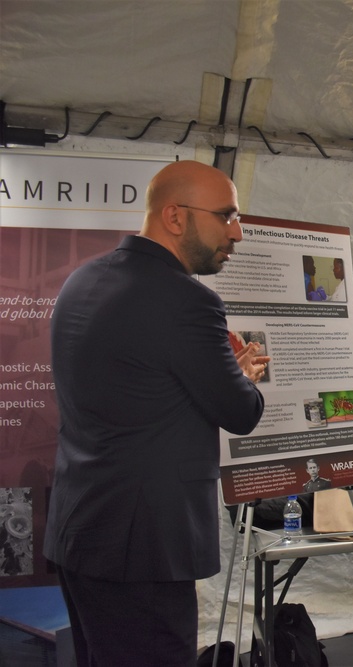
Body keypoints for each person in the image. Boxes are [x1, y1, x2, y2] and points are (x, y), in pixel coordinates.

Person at [44, 160, 267, 666]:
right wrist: (244, 377)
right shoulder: (188, 302)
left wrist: (221, 372)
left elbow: (140, 384)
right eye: (226, 216)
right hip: (141, 549)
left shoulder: (83, 279)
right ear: (174, 216)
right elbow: (240, 411)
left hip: (80, 530)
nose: (236, 233)